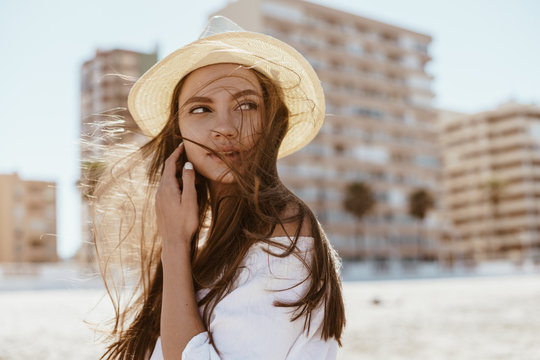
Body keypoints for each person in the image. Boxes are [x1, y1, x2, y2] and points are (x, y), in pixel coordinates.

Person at [92, 16, 345, 360]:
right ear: (177, 131)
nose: (224, 127)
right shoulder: (214, 241)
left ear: (270, 120)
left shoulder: (283, 232)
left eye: (245, 105)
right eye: (201, 109)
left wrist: (175, 244)